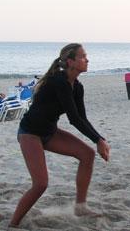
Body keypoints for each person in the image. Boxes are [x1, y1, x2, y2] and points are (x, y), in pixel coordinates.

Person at [9, 43, 110, 228]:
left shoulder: (77, 86)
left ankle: (80, 207)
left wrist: (99, 139)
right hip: (30, 134)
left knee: (87, 155)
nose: (87, 60)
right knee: (40, 184)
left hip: (49, 132)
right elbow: (73, 119)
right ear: (71, 62)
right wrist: (98, 140)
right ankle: (13, 224)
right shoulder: (59, 81)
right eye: (83, 56)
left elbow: (82, 118)